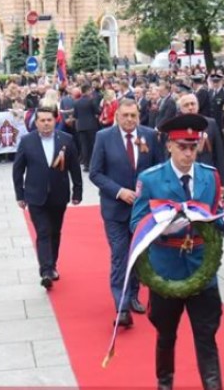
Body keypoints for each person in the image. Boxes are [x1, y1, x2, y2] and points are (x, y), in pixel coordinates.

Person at [130, 114, 224, 390]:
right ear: (169, 145)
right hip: (166, 268)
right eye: (182, 146)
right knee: (166, 334)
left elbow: (215, 214)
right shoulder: (150, 179)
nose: (188, 153)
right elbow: (136, 223)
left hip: (201, 268)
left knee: (206, 335)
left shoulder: (210, 176)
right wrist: (165, 228)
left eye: (193, 147)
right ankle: (165, 384)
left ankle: (213, 386)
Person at [89, 98, 162, 327]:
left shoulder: (150, 136)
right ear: (116, 116)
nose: (129, 120)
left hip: (143, 210)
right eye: (125, 115)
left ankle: (133, 295)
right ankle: (121, 305)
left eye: (133, 115)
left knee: (139, 254)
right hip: (115, 209)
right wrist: (119, 191)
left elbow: (160, 167)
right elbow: (95, 173)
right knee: (120, 255)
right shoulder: (104, 138)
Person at [13, 104, 82, 289]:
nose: (45, 124)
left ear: (55, 121)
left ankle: (53, 264)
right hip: (35, 196)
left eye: (49, 120)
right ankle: (46, 270)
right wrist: (19, 195)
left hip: (59, 195)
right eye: (42, 120)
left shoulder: (66, 139)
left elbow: (74, 167)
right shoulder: (27, 141)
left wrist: (78, 192)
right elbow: (18, 169)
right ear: (35, 122)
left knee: (55, 232)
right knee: (43, 231)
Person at [177, 93, 224, 189]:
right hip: (183, 177)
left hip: (207, 176)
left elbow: (219, 153)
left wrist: (223, 182)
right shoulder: (175, 126)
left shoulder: (210, 123)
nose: (190, 107)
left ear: (198, 105)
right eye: (186, 105)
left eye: (193, 104)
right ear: (181, 109)